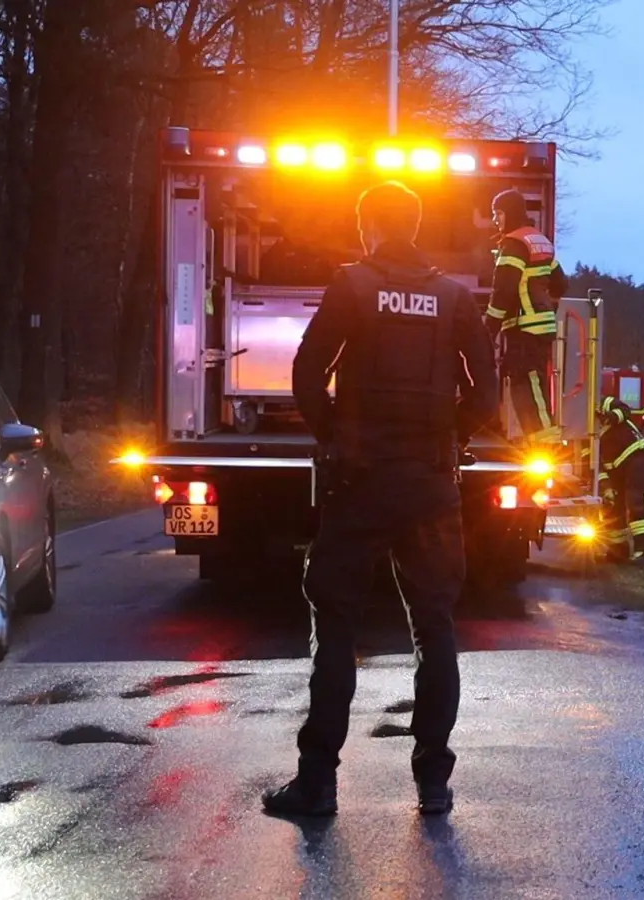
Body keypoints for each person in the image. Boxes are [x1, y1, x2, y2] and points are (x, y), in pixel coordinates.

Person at [262, 180, 498, 818]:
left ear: (369, 227)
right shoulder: (452, 298)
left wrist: (335, 435)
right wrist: (451, 436)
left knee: (335, 623)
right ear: (415, 227)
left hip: (359, 485)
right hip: (430, 488)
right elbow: (486, 395)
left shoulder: (354, 287)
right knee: (435, 628)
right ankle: (433, 784)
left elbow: (307, 372)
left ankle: (317, 786)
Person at [484, 188, 567, 445]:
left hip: (524, 327)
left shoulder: (513, 245)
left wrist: (489, 329)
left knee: (526, 384)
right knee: (534, 384)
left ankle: (545, 444)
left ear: (509, 213)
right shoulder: (538, 240)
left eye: (498, 214)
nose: (496, 220)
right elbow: (561, 284)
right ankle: (541, 441)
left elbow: (503, 291)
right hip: (541, 326)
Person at [590, 396, 644, 565]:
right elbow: (595, 467)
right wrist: (606, 488)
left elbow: (624, 410)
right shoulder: (579, 437)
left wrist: (609, 418)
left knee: (636, 500)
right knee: (612, 505)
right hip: (615, 469)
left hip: (634, 455)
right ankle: (618, 552)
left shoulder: (599, 402)